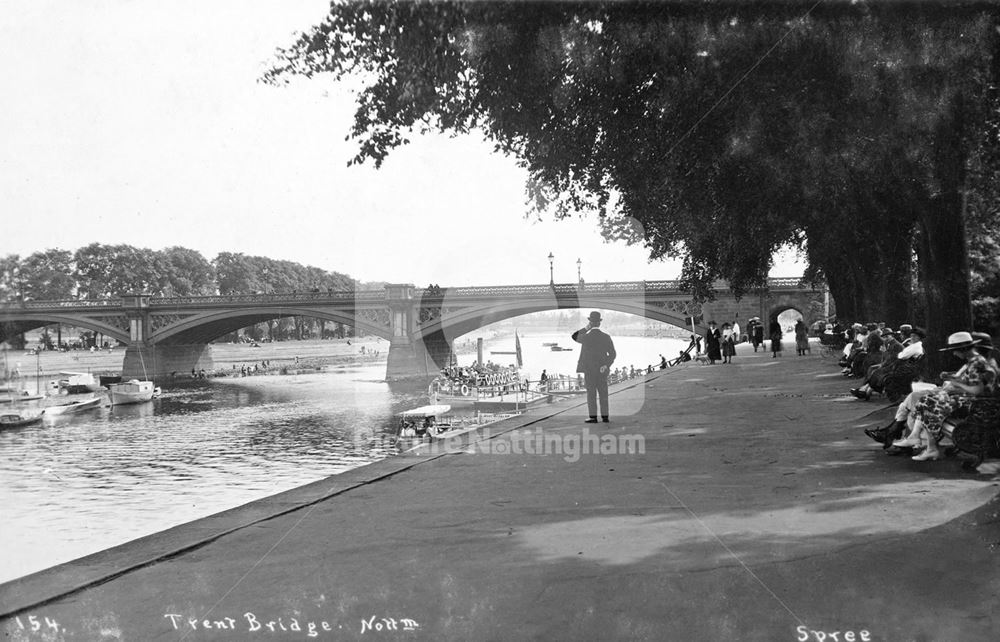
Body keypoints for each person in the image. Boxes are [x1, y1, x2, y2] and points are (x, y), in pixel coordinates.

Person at [892, 332, 997, 461]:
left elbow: (977, 390)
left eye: (955, 350)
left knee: (929, 402)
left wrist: (956, 383)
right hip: (972, 399)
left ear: (963, 349)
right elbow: (970, 382)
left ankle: (928, 446)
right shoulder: (974, 361)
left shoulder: (977, 363)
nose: (954, 354)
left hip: (977, 402)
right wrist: (953, 378)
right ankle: (922, 441)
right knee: (926, 400)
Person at [572, 311, 616, 423]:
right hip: (602, 370)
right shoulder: (606, 337)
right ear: (600, 323)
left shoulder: (585, 337)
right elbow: (613, 354)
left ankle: (593, 417)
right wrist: (606, 365)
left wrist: (587, 328)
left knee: (591, 394)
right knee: (603, 393)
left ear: (590, 323)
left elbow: (574, 336)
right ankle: (605, 417)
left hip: (589, 370)